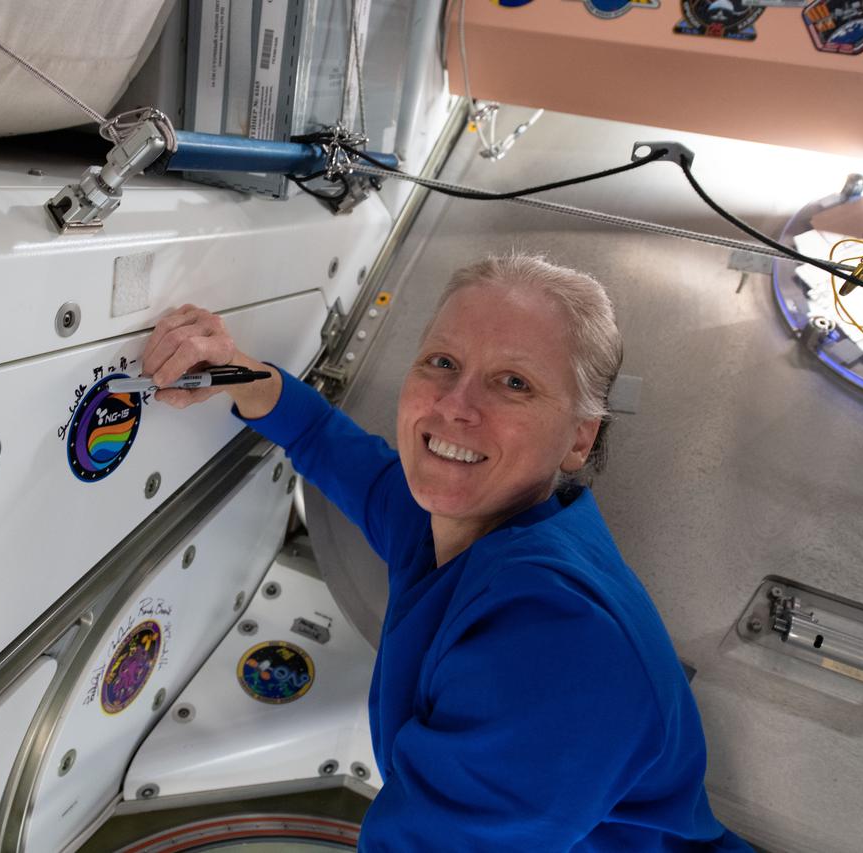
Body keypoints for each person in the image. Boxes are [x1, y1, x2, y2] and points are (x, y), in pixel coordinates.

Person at [139, 252, 751, 852]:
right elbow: (321, 436)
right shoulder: (455, 525)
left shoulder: (559, 640)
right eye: (442, 362)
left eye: (514, 382)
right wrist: (233, 372)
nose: (455, 405)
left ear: (579, 439)